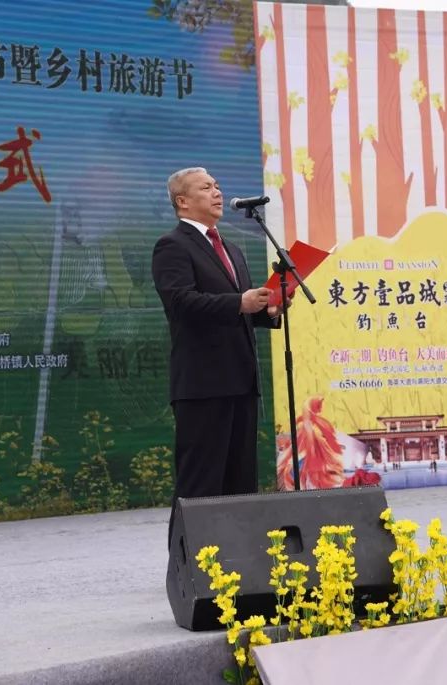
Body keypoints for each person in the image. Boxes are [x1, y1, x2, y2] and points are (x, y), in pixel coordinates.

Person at [151, 167, 285, 538]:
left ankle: (238, 559)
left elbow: (234, 310)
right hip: (203, 385)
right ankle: (186, 564)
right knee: (200, 482)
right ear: (183, 201)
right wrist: (238, 302)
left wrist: (267, 310)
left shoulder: (232, 249)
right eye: (206, 187)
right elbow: (181, 303)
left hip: (241, 380)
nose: (217, 192)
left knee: (240, 480)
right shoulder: (172, 245)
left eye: (217, 186)